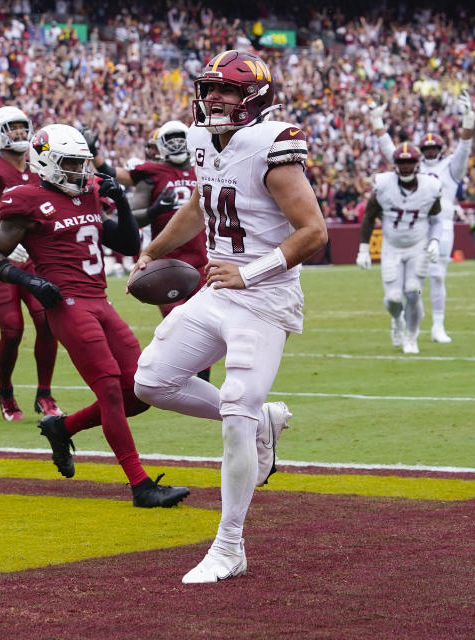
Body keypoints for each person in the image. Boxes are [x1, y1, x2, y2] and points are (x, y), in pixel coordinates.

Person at [129, 50, 328, 582]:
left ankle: (229, 546)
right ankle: (262, 419)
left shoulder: (272, 142)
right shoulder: (200, 138)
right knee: (151, 381)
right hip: (219, 290)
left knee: (236, 414)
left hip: (263, 297)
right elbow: (201, 202)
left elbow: (314, 232)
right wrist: (156, 247)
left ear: (255, 97)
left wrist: (249, 273)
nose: (214, 98)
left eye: (228, 91)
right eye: (209, 88)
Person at [0, 123, 190, 509]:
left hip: (101, 301)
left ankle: (62, 428)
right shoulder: (26, 200)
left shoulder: (90, 193)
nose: (80, 172)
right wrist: (31, 281)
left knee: (140, 391)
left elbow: (127, 244)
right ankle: (140, 484)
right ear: (45, 163)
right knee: (110, 389)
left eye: (82, 164)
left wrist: (123, 203)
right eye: (70, 164)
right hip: (68, 305)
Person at [87, 119, 211, 380]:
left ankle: (201, 384)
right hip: (167, 266)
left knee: (206, 329)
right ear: (160, 147)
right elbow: (127, 212)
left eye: (181, 138)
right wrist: (155, 211)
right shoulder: (153, 174)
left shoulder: (205, 169)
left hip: (204, 262)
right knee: (179, 325)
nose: (177, 144)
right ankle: (171, 377)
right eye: (171, 139)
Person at [0, 106, 61, 421]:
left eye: (24, 128)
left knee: (47, 322)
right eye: (13, 129)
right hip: (3, 261)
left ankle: (44, 393)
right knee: (12, 330)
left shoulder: (39, 166)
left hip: (36, 259)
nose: (20, 134)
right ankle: (5, 390)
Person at [366, 92, 475, 342]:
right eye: (426, 148)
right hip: (415, 226)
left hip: (442, 225)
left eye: (434, 147)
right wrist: (377, 122)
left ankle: (438, 324)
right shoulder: (413, 167)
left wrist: (468, 120)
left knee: (437, 275)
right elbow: (389, 150)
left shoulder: (450, 166)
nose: (431, 151)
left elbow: (464, 148)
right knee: (410, 283)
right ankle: (405, 321)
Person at [356, 143, 442, 354]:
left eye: (409, 162)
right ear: (395, 164)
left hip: (418, 247)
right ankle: (397, 320)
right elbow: (368, 217)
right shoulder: (383, 184)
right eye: (402, 162)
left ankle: (411, 337)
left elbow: (436, 220)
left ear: (417, 163)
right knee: (394, 299)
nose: (405, 167)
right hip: (392, 248)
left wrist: (435, 241)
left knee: (414, 291)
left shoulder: (430, 186)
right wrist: (363, 249)